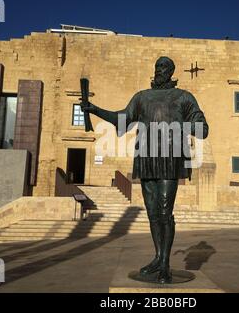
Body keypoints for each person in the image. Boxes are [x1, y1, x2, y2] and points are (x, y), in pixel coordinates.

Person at [80, 56, 208, 283]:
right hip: (146, 158)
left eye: (164, 67)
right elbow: (122, 119)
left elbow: (203, 129)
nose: (159, 70)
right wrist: (95, 109)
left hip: (170, 158)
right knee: (152, 213)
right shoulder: (141, 97)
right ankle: (158, 257)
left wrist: (180, 125)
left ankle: (166, 264)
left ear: (171, 71)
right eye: (157, 66)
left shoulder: (184, 97)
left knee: (165, 211)